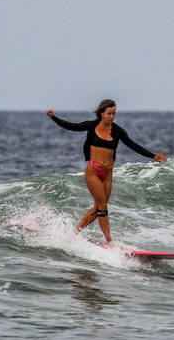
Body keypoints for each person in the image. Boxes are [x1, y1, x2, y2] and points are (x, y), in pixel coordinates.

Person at [46, 99, 166, 244]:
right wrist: (54, 117)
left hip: (108, 174)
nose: (112, 116)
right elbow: (72, 126)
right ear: (101, 113)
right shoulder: (92, 126)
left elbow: (133, 145)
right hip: (93, 171)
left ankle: (75, 232)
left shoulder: (118, 131)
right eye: (109, 113)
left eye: (114, 113)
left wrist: (153, 156)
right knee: (103, 206)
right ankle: (109, 241)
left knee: (98, 208)